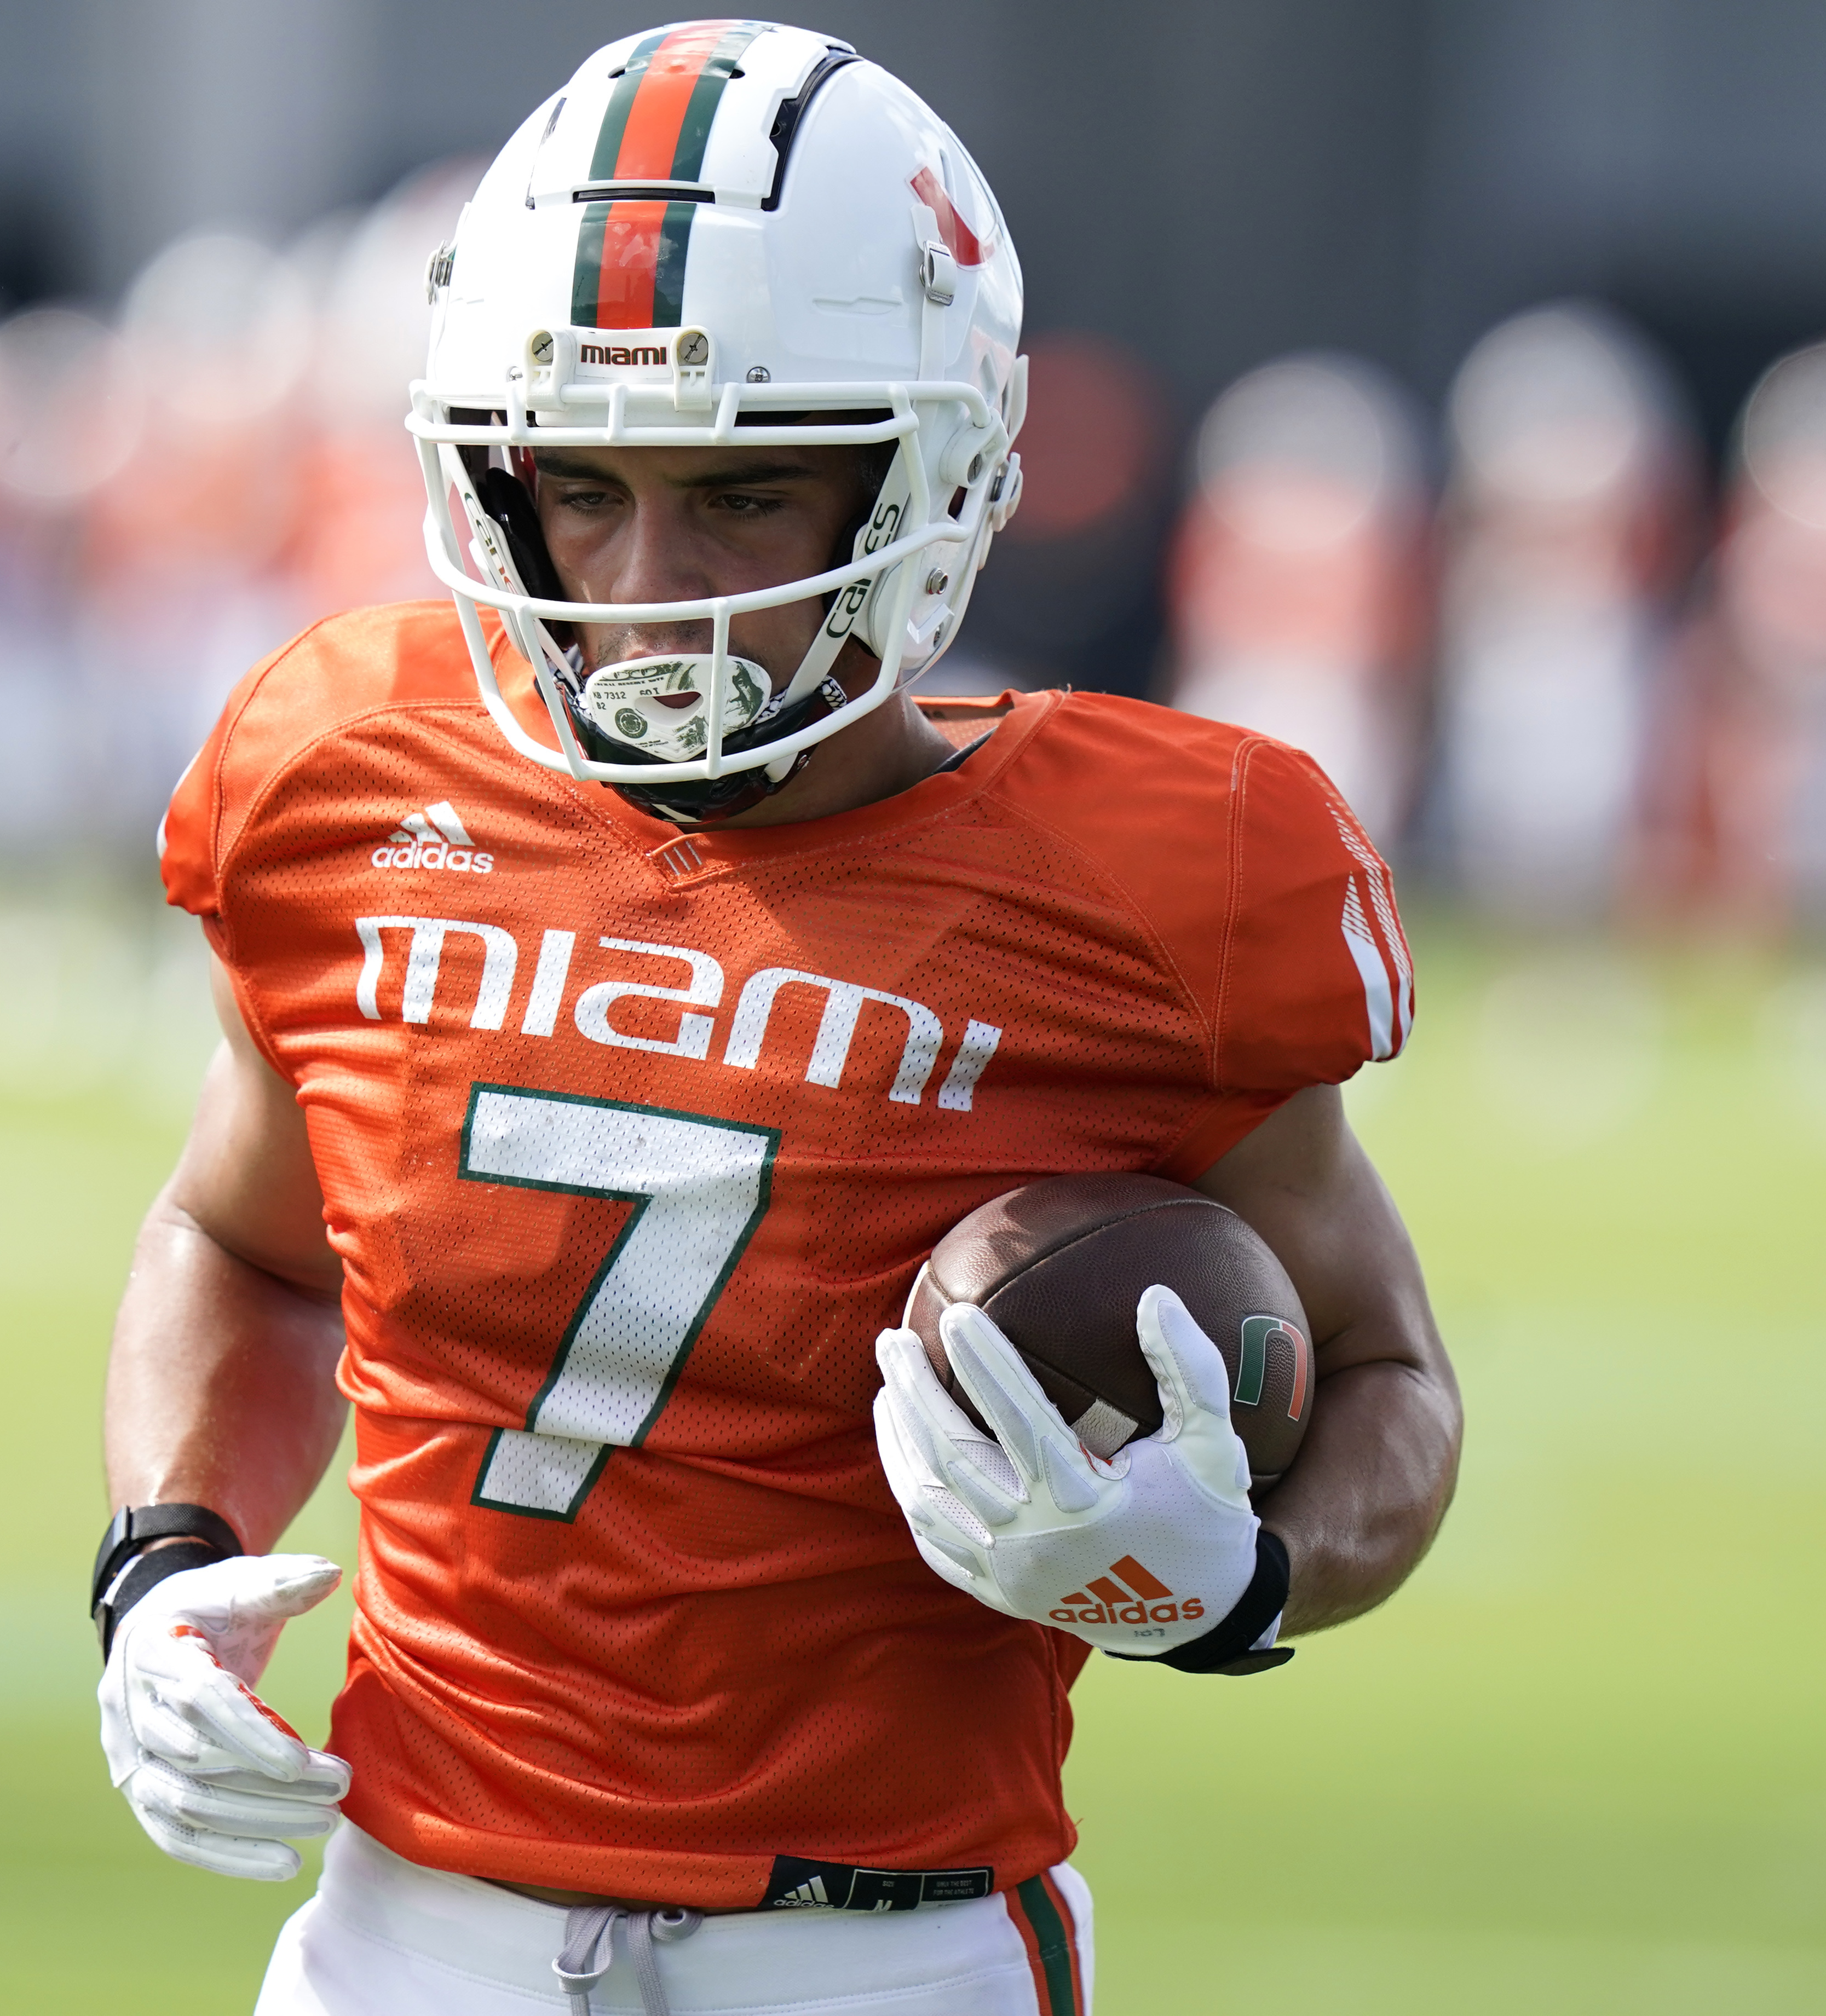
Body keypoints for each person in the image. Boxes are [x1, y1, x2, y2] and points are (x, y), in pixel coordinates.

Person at [93, 24, 1461, 2013]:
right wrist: (165, 1558)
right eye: (579, 488)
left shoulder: (1172, 878)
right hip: (403, 1936)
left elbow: (1386, 1378)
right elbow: (238, 1241)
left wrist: (1240, 1575)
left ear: (935, 477)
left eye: (742, 495)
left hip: (882, 1958)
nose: (646, 587)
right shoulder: (347, 766)